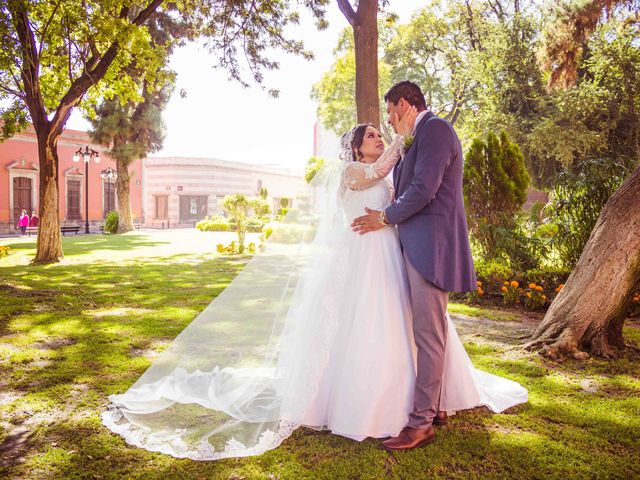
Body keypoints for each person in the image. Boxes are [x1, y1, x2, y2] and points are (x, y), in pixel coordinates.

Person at [101, 84, 527, 461]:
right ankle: (420, 408)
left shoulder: (433, 131)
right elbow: (387, 179)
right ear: (357, 147)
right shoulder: (366, 163)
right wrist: (394, 165)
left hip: (413, 250)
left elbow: (422, 190)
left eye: (389, 116)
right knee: (399, 329)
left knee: (423, 332)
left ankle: (425, 415)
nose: (387, 125)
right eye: (374, 131)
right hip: (385, 253)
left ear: (402, 104)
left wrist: (387, 212)